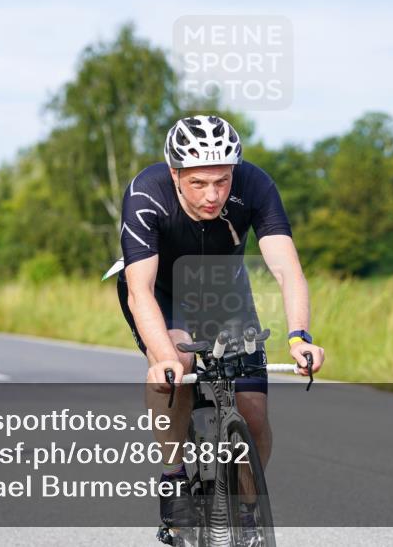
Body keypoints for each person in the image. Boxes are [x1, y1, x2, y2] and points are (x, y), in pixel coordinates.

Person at [115, 115, 325, 531]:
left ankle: (248, 513)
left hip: (223, 296)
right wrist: (161, 358)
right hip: (162, 295)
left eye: (222, 181)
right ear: (175, 173)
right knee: (177, 366)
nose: (213, 195)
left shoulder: (256, 185)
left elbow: (287, 268)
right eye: (198, 183)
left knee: (254, 412)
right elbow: (141, 289)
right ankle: (174, 476)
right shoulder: (146, 193)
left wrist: (299, 335)